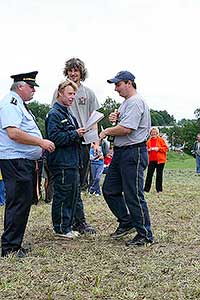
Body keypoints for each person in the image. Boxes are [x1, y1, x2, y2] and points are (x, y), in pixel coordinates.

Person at [0, 71, 55, 257]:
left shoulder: (19, 105)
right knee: (18, 203)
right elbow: (13, 133)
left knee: (22, 202)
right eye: (31, 87)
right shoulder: (11, 103)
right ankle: (10, 248)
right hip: (15, 160)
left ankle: (14, 244)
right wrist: (40, 142)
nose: (34, 91)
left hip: (22, 160)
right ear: (20, 86)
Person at [99, 70, 153, 247]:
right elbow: (123, 124)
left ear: (129, 83)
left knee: (133, 194)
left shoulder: (136, 102)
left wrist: (107, 130)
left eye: (118, 84)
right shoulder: (126, 104)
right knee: (109, 189)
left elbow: (127, 129)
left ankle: (144, 234)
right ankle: (126, 220)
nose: (115, 88)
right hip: (122, 152)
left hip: (133, 152)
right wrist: (116, 118)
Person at [52, 58, 100, 234]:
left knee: (79, 183)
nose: (73, 74)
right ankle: (75, 221)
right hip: (67, 142)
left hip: (84, 143)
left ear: (81, 72)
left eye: (76, 71)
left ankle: (76, 220)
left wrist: (96, 142)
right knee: (69, 184)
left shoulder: (89, 93)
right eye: (70, 71)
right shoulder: (59, 92)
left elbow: (94, 119)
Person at [46, 80, 86, 239]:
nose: (73, 97)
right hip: (61, 161)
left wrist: (79, 134)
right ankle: (61, 228)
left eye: (74, 94)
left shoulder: (68, 113)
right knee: (63, 194)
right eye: (70, 94)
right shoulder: (55, 114)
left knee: (72, 194)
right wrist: (75, 134)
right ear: (60, 93)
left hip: (71, 160)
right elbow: (54, 138)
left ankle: (67, 225)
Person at [144, 127, 168, 193]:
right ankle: (146, 189)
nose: (153, 133)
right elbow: (145, 150)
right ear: (150, 133)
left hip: (160, 160)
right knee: (149, 174)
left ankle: (159, 189)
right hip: (151, 160)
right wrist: (148, 150)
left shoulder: (161, 140)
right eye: (152, 132)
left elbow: (165, 148)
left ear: (157, 133)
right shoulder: (148, 141)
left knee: (159, 175)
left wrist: (158, 148)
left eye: (155, 132)